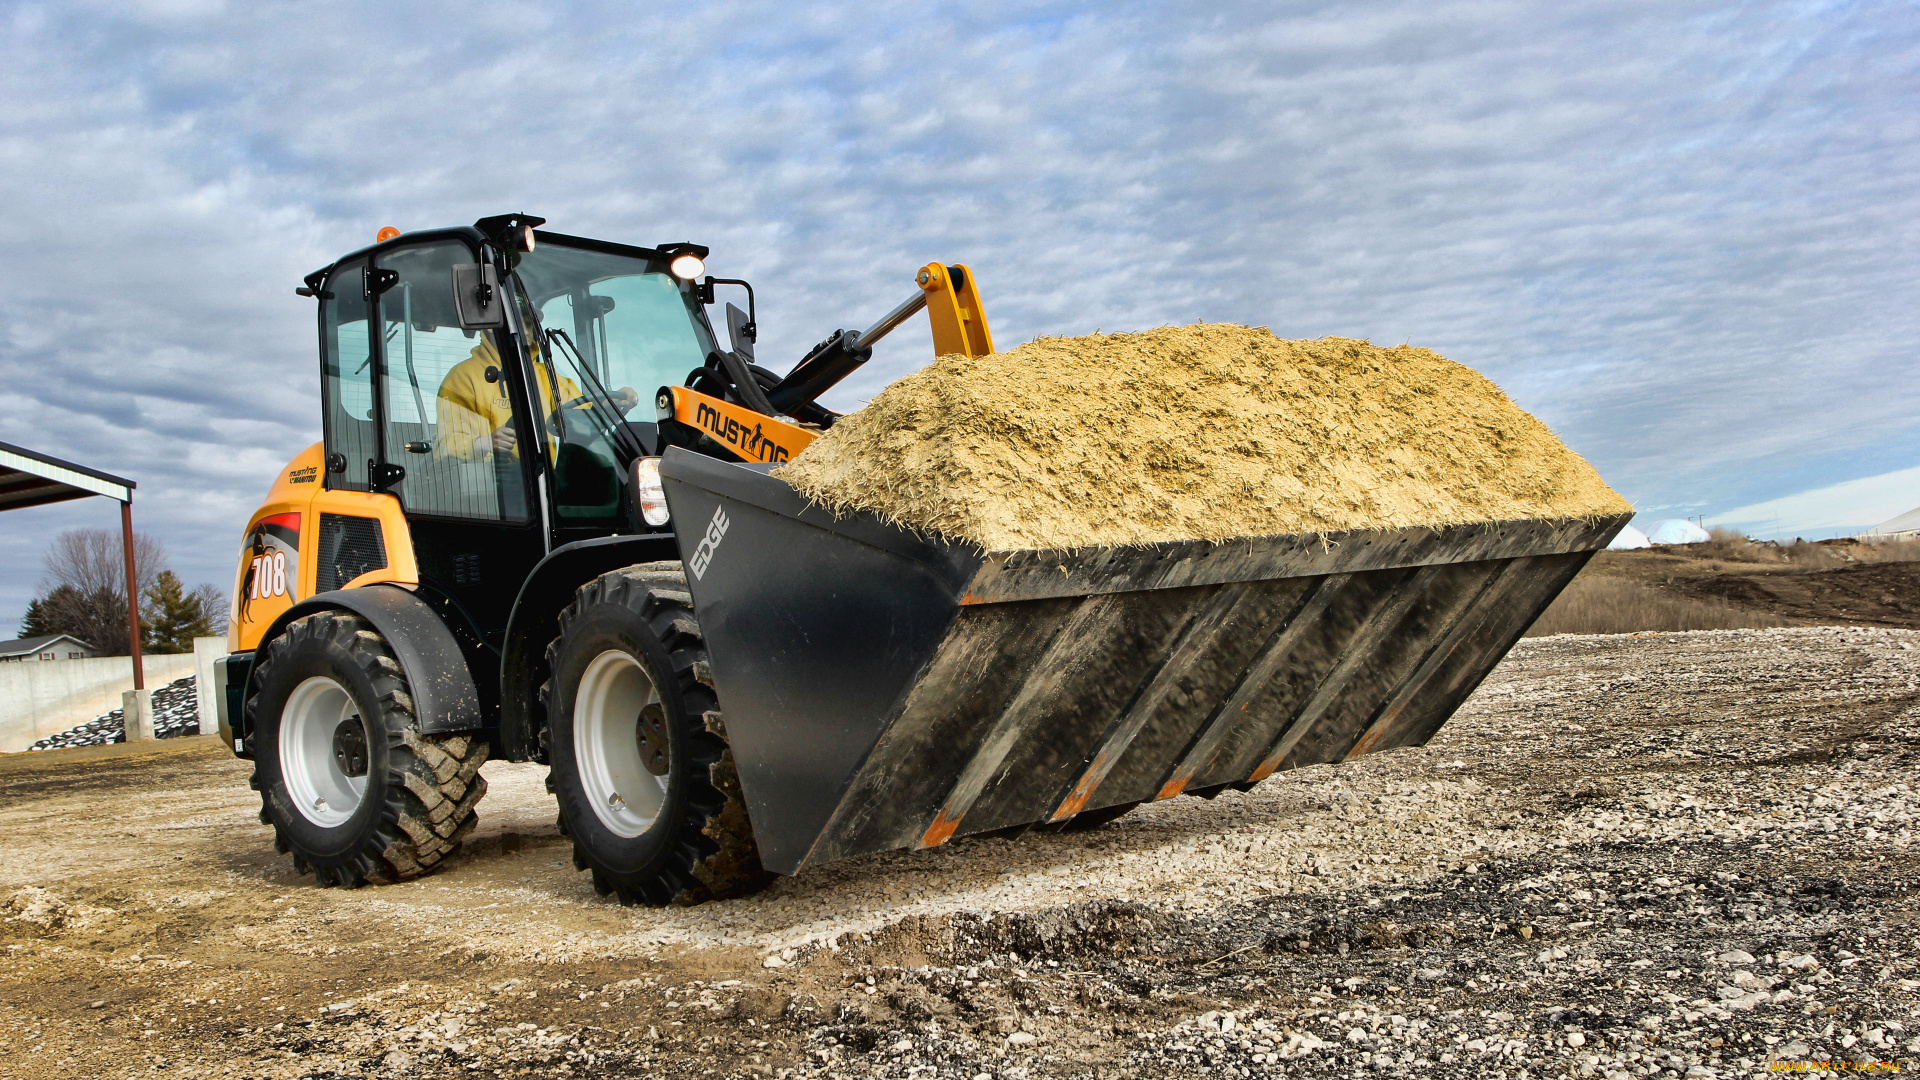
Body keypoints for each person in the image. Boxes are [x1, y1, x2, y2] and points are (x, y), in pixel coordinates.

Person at [434, 330, 638, 460]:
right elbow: (446, 444)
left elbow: (580, 418)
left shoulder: (546, 375)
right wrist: (484, 443)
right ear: (491, 326)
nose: (528, 328)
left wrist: (611, 406)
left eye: (529, 322)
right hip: (491, 493)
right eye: (522, 320)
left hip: (543, 482)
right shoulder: (463, 377)